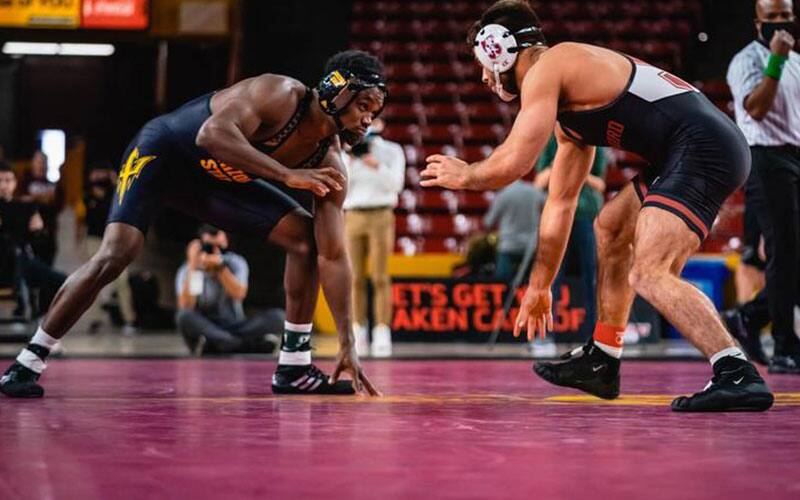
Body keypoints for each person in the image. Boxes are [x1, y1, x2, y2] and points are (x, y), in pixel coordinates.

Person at [421, 0, 773, 411]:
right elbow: (561, 205)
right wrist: (539, 285)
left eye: (483, 63)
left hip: (704, 147)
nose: (484, 76)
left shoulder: (551, 65)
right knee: (610, 227)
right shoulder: (570, 118)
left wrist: (468, 174)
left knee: (649, 272)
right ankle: (603, 359)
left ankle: (735, 372)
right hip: (691, 148)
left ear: (498, 48)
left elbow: (514, 161)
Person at [1, 50, 385, 398]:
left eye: (375, 111)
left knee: (307, 240)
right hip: (163, 153)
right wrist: (286, 175)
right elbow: (211, 134)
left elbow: (333, 256)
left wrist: (347, 341)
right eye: (364, 105)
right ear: (336, 92)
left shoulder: (330, 163)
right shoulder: (279, 94)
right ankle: (27, 362)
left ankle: (294, 367)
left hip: (212, 180)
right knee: (117, 254)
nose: (368, 119)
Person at [726, 0, 800, 374]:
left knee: (794, 258)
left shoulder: (798, 64)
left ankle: (750, 317)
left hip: (795, 156)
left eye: (785, 16)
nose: (780, 23)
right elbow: (756, 108)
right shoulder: (745, 61)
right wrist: (776, 60)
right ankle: (786, 346)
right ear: (758, 23)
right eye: (771, 18)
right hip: (765, 158)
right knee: (784, 253)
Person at [343, 118, 405, 357]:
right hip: (353, 214)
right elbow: (342, 186)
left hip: (381, 213)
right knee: (355, 277)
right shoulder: (346, 153)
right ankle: (358, 330)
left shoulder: (391, 151)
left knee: (380, 276)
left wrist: (374, 164)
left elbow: (396, 184)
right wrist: (350, 160)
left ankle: (381, 330)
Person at [535, 137, 607, 337]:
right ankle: (545, 336)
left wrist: (576, 169)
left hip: (587, 217)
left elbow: (600, 184)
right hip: (557, 218)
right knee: (550, 278)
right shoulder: (551, 141)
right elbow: (539, 181)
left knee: (591, 278)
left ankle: (595, 335)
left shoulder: (596, 142)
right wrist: (564, 163)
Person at [175, 225, 283, 355]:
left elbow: (239, 294)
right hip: (206, 326)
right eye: (209, 248)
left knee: (278, 317)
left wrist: (220, 269)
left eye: (219, 247)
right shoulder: (189, 270)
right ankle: (245, 344)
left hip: (236, 325)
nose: (214, 252)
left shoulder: (235, 262)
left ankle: (222, 343)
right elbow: (187, 305)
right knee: (183, 317)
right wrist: (193, 266)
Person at [0, 162, 66, 317]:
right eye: (0, 180)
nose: (3, 185)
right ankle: (23, 307)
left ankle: (42, 315)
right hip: (5, 261)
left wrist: (38, 230)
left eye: (8, 180)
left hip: (23, 259)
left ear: (15, 183)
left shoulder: (25, 207)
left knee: (63, 281)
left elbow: (38, 242)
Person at [80, 163, 137, 333]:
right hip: (94, 239)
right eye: (96, 173)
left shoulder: (116, 193)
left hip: (115, 240)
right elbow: (86, 220)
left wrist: (114, 183)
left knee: (122, 279)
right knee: (92, 279)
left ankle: (129, 319)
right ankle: (95, 319)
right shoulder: (87, 195)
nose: (99, 177)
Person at [482, 176, 545, 282]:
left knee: (502, 285)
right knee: (533, 284)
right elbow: (550, 203)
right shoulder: (533, 191)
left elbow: (488, 222)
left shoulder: (502, 195)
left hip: (508, 246)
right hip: (531, 246)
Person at [19, 151, 64, 265]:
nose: (41, 165)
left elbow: (58, 206)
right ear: (32, 163)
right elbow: (19, 202)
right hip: (28, 236)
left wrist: (34, 199)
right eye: (38, 162)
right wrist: (42, 199)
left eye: (43, 162)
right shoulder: (23, 183)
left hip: (48, 234)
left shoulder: (54, 186)